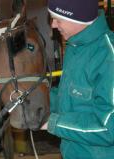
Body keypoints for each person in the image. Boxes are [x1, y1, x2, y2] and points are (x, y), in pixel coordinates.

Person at [41, 0, 114, 158]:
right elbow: (68, 98)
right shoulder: (75, 47)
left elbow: (109, 129)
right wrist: (37, 99)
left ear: (78, 18)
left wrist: (51, 122)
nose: (53, 25)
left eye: (58, 19)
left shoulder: (108, 58)